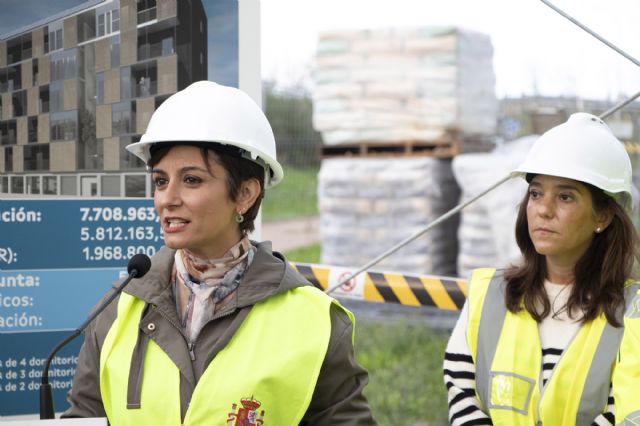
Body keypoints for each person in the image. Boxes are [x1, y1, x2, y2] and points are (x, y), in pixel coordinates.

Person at [63, 81, 376, 425]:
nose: (167, 199)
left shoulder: (313, 320)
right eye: (161, 181)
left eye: (192, 180)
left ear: (245, 194)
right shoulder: (119, 309)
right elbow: (84, 416)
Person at [443, 112, 640, 425]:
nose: (543, 210)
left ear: (602, 217)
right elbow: (462, 395)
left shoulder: (633, 312)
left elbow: (626, 414)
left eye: (565, 196)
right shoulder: (488, 296)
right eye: (535, 194)